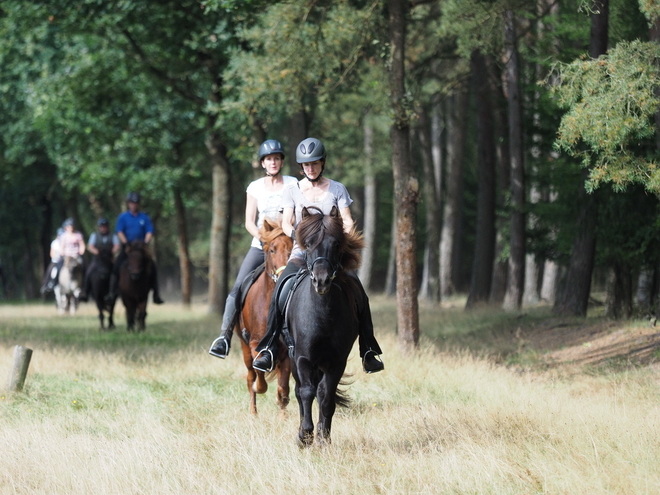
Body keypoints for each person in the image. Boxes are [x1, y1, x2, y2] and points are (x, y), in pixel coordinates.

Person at [251, 137, 384, 374]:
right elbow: (286, 221)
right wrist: (302, 238)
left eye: (315, 163)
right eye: (306, 165)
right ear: (301, 167)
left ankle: (368, 349)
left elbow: (347, 219)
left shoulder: (337, 189)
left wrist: (342, 235)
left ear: (323, 163)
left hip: (332, 253)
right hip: (303, 252)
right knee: (280, 289)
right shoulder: (292, 190)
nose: (310, 168)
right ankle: (269, 346)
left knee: (358, 290)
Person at [209, 139, 298, 358]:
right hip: (261, 246)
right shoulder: (255, 187)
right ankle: (224, 336)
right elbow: (249, 221)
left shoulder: (293, 183)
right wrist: (264, 238)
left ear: (282, 161)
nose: (273, 162)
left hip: (287, 245)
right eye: (269, 159)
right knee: (239, 286)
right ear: (263, 163)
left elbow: (296, 214)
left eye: (277, 158)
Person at [106, 192, 164, 304]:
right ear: (128, 204)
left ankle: (156, 294)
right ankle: (112, 293)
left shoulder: (144, 217)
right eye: (132, 202)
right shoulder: (123, 217)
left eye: (136, 203)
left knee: (152, 267)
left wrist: (145, 242)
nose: (134, 205)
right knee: (116, 266)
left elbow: (149, 231)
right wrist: (126, 242)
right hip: (128, 247)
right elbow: (119, 231)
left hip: (141, 248)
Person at [79, 218, 120, 302]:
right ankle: (85, 292)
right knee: (89, 272)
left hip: (109, 259)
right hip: (98, 259)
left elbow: (117, 246)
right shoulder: (94, 235)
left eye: (105, 226)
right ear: (99, 227)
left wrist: (111, 252)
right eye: (102, 226)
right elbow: (90, 246)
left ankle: (115, 291)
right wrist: (97, 252)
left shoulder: (113, 236)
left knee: (116, 272)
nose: (103, 228)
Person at [40, 227, 64, 294]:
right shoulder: (55, 243)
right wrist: (58, 256)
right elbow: (52, 254)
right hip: (56, 261)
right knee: (49, 271)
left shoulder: (65, 242)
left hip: (64, 260)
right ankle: (47, 284)